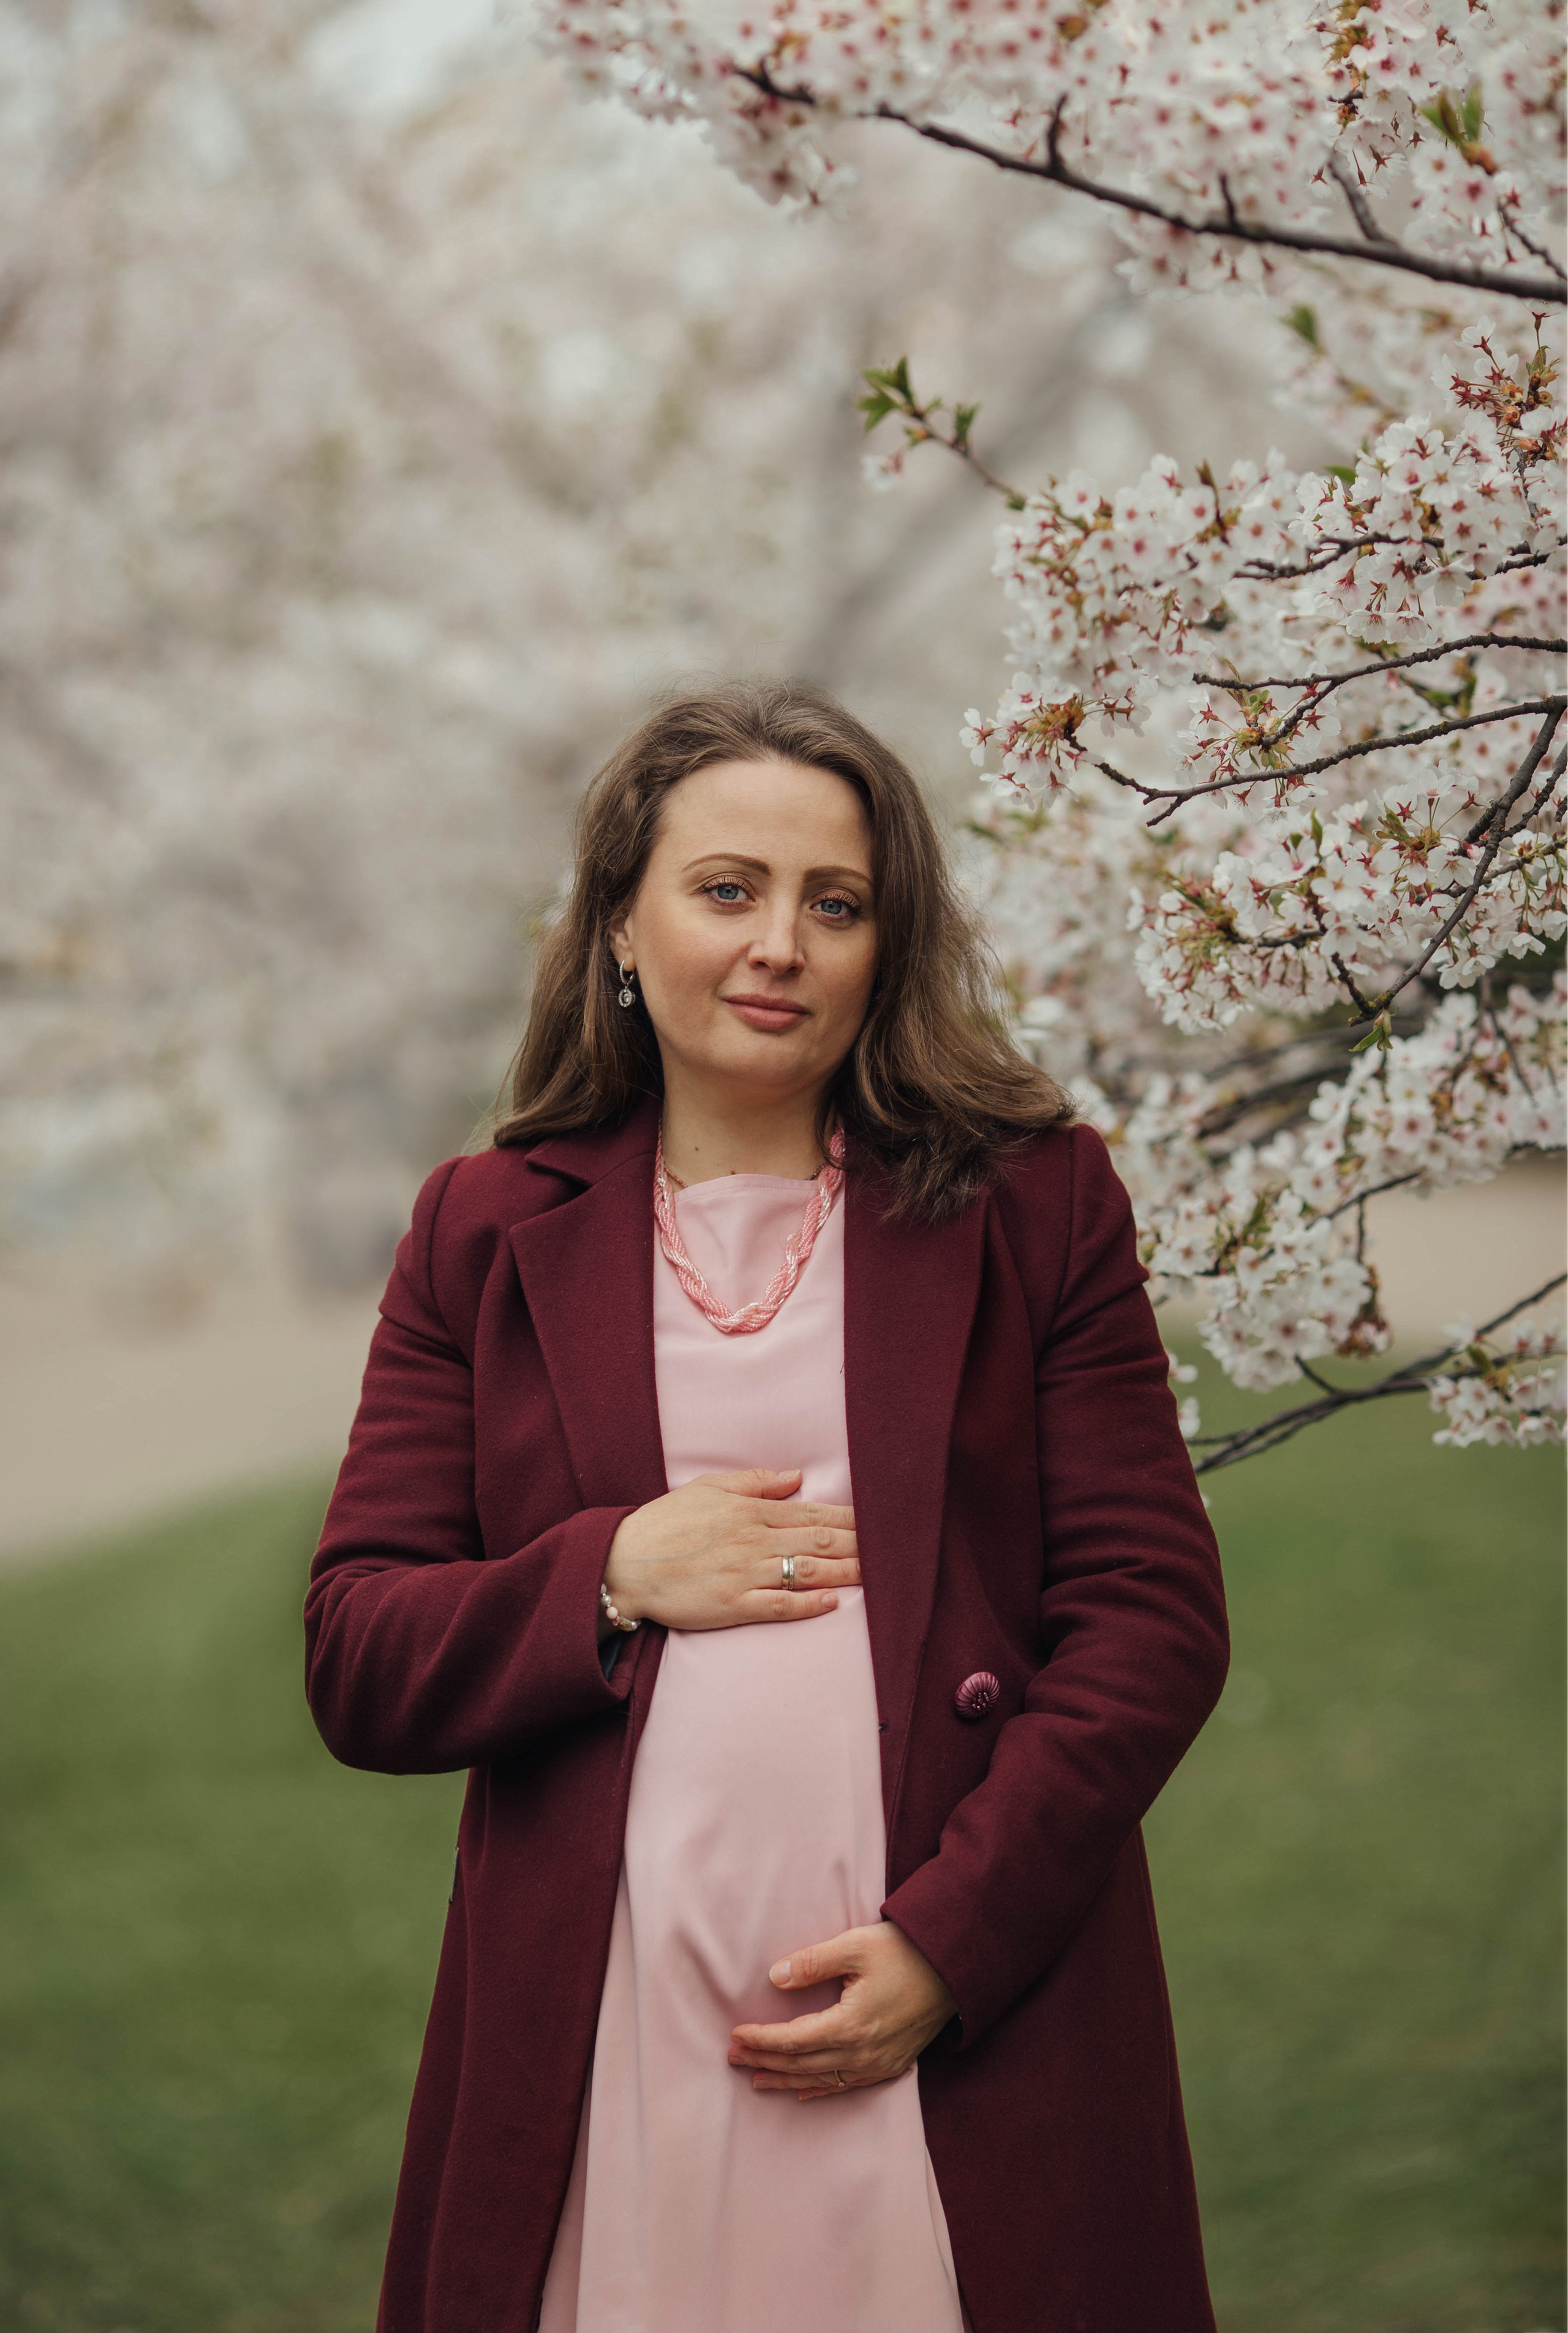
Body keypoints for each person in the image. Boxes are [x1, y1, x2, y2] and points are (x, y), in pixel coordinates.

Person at [305, 680, 1230, 2333]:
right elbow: (359, 1647)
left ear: (889, 942)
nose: (781, 943)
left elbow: (1151, 1619)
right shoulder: (480, 1228)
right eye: (727, 888)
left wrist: (956, 1936)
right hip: (612, 2027)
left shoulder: (1034, 1203)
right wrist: (611, 1568)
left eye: (837, 902)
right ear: (617, 926)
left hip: (963, 2010)